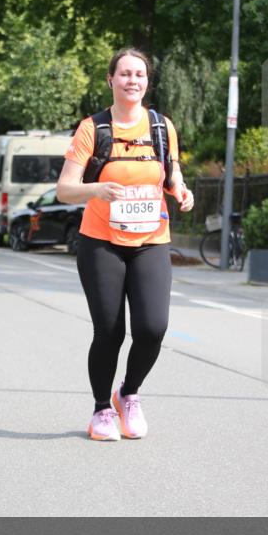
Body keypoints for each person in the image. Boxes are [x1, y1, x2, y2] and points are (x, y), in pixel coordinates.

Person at [57, 48, 194, 442]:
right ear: (111, 80)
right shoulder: (93, 128)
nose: (132, 80)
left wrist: (181, 190)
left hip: (151, 240)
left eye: (139, 74)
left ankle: (128, 394)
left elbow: (170, 173)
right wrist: (96, 189)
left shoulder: (161, 127)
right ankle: (102, 409)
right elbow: (64, 189)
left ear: (146, 82)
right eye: (125, 74)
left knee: (152, 328)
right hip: (101, 242)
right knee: (110, 331)